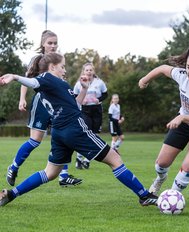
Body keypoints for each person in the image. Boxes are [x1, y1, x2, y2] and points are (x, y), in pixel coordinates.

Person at [0, 52, 158, 207]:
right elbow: (34, 82)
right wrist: (14, 77)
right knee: (115, 160)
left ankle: (12, 193)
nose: (65, 70)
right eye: (62, 66)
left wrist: (83, 89)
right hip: (75, 129)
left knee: (50, 173)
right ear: (53, 67)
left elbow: (75, 105)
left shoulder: (59, 84)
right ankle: (144, 195)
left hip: (59, 132)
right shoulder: (47, 78)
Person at [138, 45, 189, 195]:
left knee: (188, 167)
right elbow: (162, 68)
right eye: (188, 67)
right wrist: (145, 79)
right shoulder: (182, 75)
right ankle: (160, 179)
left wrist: (182, 117)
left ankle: (172, 196)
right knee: (161, 164)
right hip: (184, 124)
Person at [6, 30, 82, 187]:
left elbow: (62, 80)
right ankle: (13, 167)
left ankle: (63, 175)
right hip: (41, 103)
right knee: (35, 141)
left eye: (55, 43)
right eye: (50, 43)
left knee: (62, 136)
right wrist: (22, 99)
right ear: (43, 44)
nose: (53, 46)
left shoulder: (60, 59)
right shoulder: (37, 59)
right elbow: (27, 80)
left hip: (58, 104)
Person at [73, 63, 108, 169]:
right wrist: (81, 100)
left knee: (95, 134)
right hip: (84, 110)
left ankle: (87, 160)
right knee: (86, 134)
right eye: (87, 70)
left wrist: (99, 99)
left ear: (93, 71)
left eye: (90, 70)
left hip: (97, 110)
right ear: (83, 71)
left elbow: (105, 94)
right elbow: (74, 95)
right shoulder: (79, 83)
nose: (89, 72)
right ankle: (79, 159)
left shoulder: (99, 82)